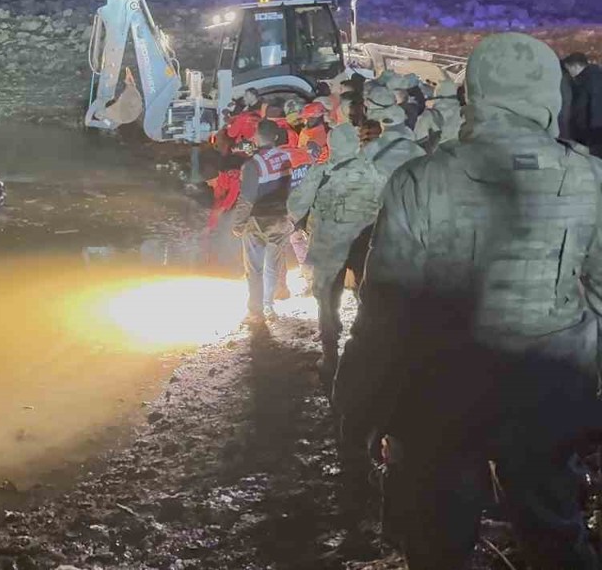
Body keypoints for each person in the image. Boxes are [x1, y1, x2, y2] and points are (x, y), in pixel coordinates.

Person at [334, 33, 602, 569]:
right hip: (547, 399)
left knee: (437, 545)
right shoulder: (591, 180)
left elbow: (386, 312)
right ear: (550, 94)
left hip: (439, 401)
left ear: (473, 93)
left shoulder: (420, 180)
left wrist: (356, 412)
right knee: (555, 536)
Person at [286, 124, 382, 381]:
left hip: (330, 243)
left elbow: (296, 205)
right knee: (366, 293)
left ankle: (330, 357)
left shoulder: (321, 171)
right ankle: (368, 346)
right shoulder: (370, 170)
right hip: (362, 241)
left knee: (327, 298)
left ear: (332, 145)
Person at [231, 120, 292, 327]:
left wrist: (238, 223)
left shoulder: (253, 164)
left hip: (257, 220)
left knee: (254, 268)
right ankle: (269, 305)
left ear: (256, 137)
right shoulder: (285, 157)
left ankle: (255, 311)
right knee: (272, 265)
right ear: (275, 137)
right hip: (280, 218)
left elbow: (246, 199)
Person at [564, 52, 602, 154]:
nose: (569, 73)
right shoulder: (596, 75)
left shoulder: (584, 81)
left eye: (569, 69)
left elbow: (583, 109)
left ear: (576, 66)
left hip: (591, 134)